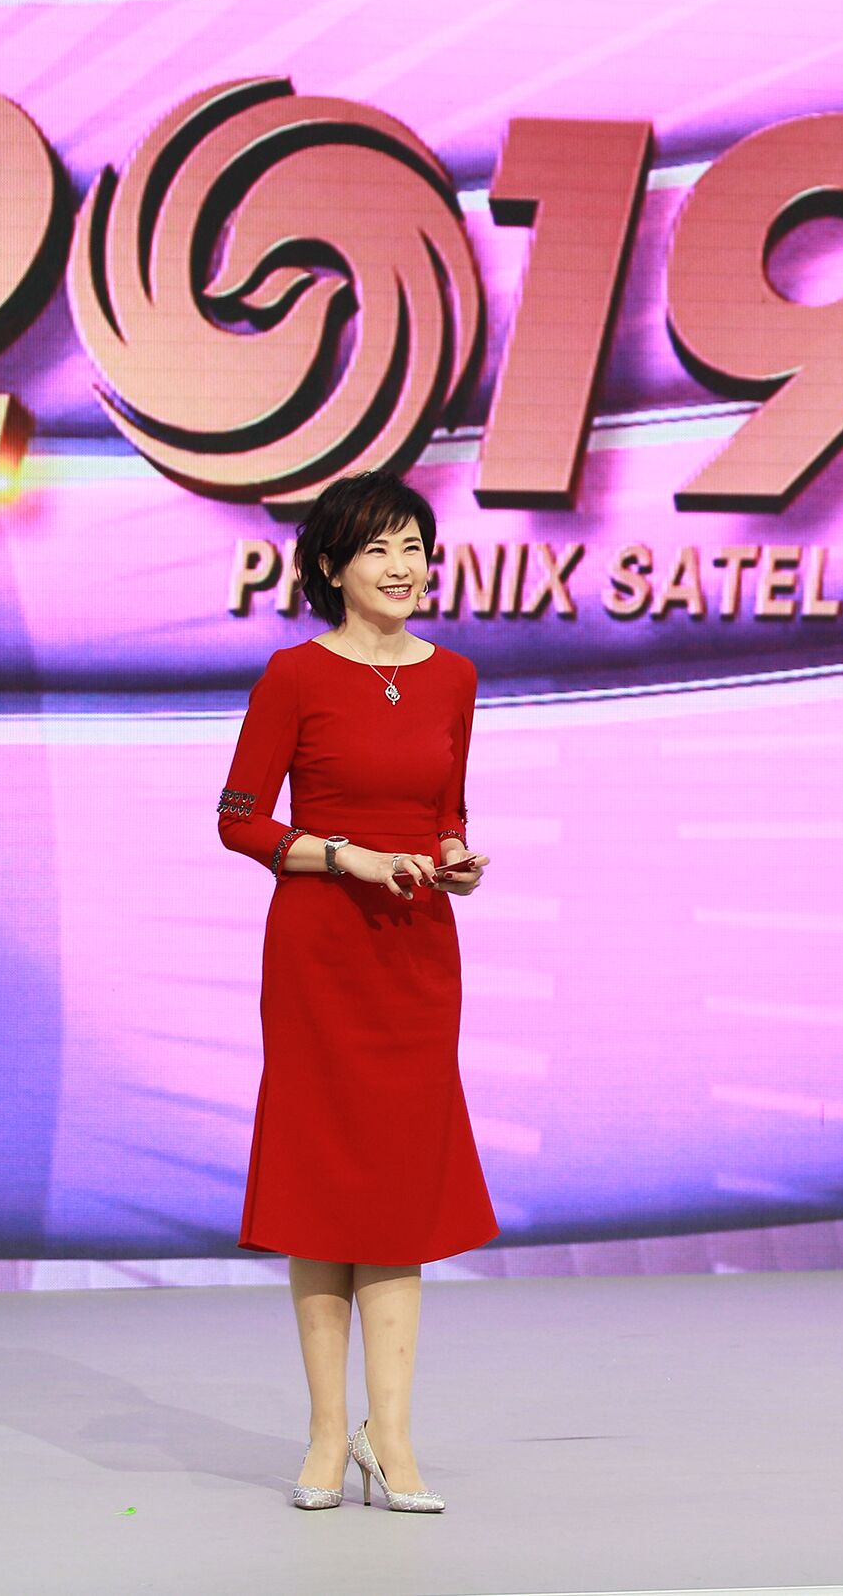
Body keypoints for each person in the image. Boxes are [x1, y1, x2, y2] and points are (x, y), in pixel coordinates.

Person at [213, 470, 499, 1513]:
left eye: (414, 545)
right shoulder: (293, 675)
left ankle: (395, 1437)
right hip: (321, 951)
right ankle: (329, 1433)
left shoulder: (455, 676)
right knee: (322, 1185)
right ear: (332, 566)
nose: (403, 565)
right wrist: (347, 856)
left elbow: (447, 807)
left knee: (398, 1193)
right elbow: (240, 818)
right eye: (379, 547)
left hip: (416, 954)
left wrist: (454, 855)